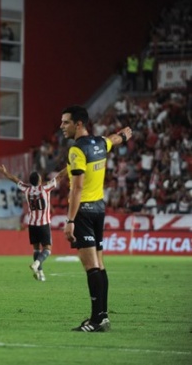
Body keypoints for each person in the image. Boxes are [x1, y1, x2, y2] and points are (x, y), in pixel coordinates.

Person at [60, 105, 133, 332]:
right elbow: (112, 140)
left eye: (66, 122)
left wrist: (70, 221)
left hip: (83, 212)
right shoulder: (100, 143)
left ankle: (96, 320)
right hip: (99, 210)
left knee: (91, 267)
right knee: (99, 265)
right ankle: (102, 316)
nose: (62, 126)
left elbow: (77, 188)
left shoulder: (76, 150)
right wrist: (122, 135)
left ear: (78, 124)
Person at [0, 165, 66, 281]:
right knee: (47, 249)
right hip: (43, 223)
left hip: (32, 224)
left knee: (36, 249)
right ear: (39, 180)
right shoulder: (45, 188)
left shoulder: (27, 189)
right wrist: (70, 166)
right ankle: (37, 263)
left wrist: (5, 172)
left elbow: (15, 180)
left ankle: (40, 274)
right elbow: (60, 176)